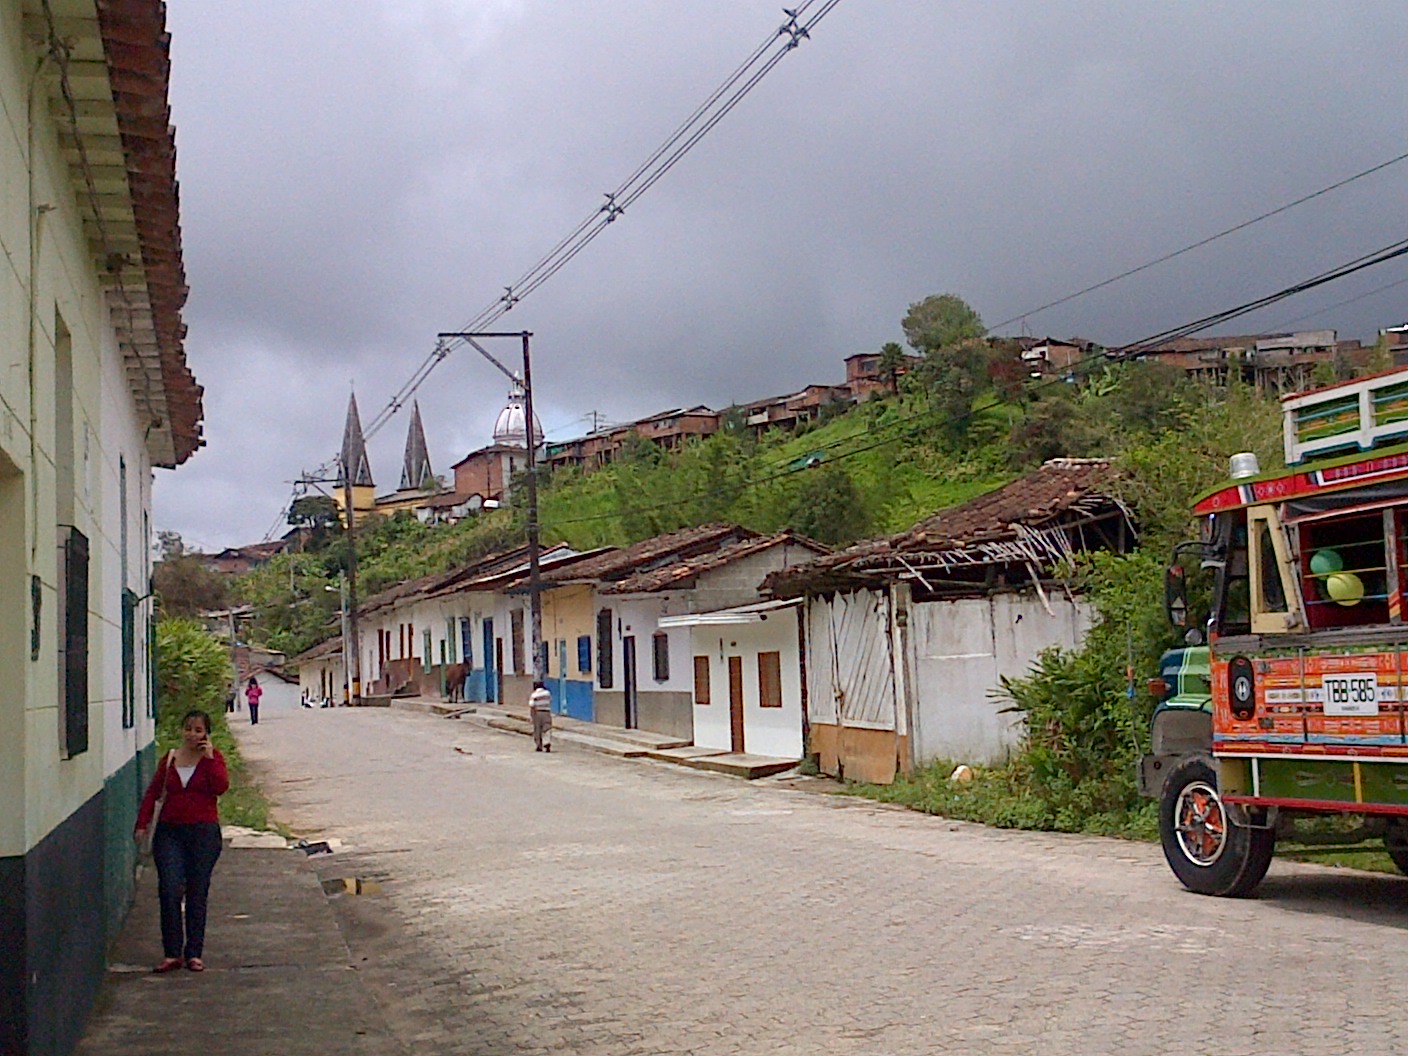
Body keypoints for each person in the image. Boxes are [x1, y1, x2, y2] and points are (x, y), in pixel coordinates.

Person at [133, 710, 229, 973]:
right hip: (170, 832)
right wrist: (142, 823)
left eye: (198, 730)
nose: (192, 734)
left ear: (206, 733)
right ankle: (172, 952)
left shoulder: (214, 759)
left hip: (203, 834)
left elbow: (220, 787)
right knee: (169, 888)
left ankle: (194, 953)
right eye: (188, 728)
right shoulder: (171, 758)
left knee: (197, 891)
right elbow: (153, 792)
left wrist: (208, 759)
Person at [529, 681, 553, 752]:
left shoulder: (534, 695)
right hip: (547, 712)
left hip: (538, 713)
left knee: (537, 730)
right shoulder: (547, 693)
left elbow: (532, 705)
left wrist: (531, 716)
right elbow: (550, 701)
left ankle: (539, 745)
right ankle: (547, 742)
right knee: (547, 728)